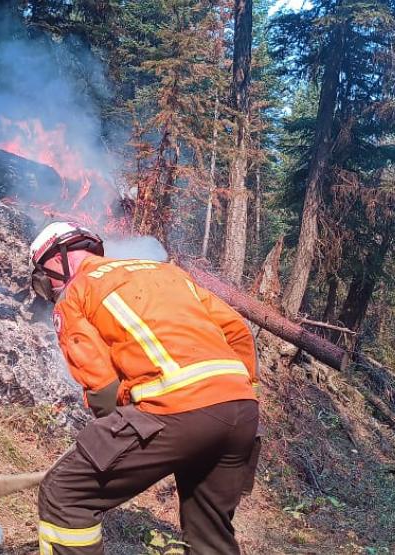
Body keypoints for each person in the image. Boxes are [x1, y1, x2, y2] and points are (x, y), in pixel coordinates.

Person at [29, 221, 260, 555]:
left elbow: (102, 387)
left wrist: (121, 442)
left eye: (42, 280)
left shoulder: (75, 295)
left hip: (175, 411)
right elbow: (238, 331)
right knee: (209, 532)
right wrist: (244, 393)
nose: (47, 290)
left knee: (65, 492)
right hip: (242, 412)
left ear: (56, 259)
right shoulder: (168, 273)